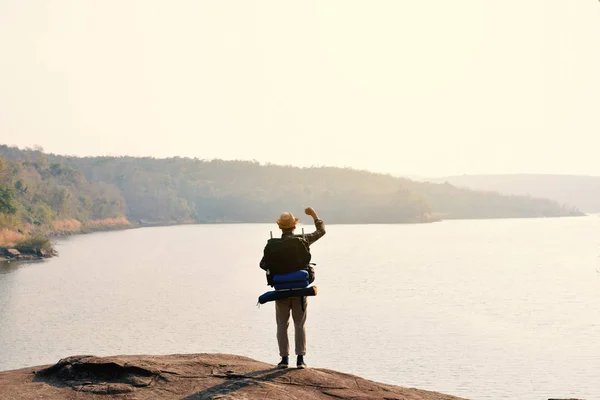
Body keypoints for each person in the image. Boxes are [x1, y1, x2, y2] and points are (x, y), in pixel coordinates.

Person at [259, 207, 326, 369]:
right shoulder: (303, 240)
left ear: (280, 227)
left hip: (280, 290)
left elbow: (262, 264)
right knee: (299, 324)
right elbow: (321, 231)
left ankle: (284, 360)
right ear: (294, 226)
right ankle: (300, 360)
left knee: (282, 325)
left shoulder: (273, 245)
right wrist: (314, 215)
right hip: (300, 290)